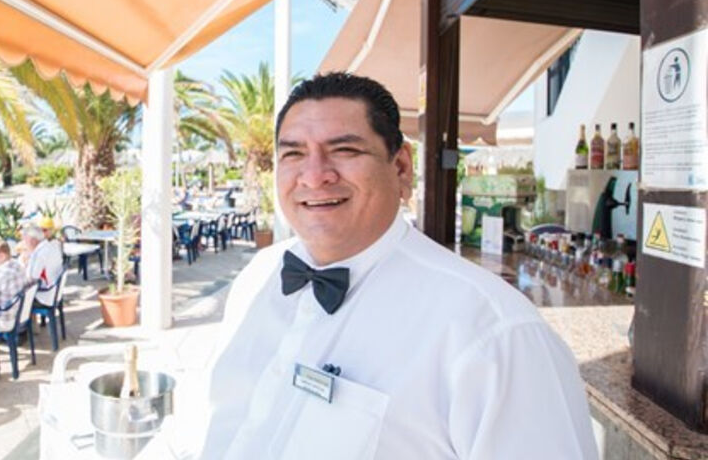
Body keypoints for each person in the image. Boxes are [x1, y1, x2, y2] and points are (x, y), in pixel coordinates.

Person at [199, 73, 597, 460]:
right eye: (293, 153)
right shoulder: (258, 276)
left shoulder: (495, 333)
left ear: (402, 167)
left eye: (345, 150)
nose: (315, 176)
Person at [27, 217, 64, 308]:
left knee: (22, 301)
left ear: (52, 231)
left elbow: (33, 277)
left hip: (45, 295)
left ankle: (28, 317)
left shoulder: (43, 251)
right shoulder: (56, 245)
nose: (42, 233)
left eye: (44, 230)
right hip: (54, 292)